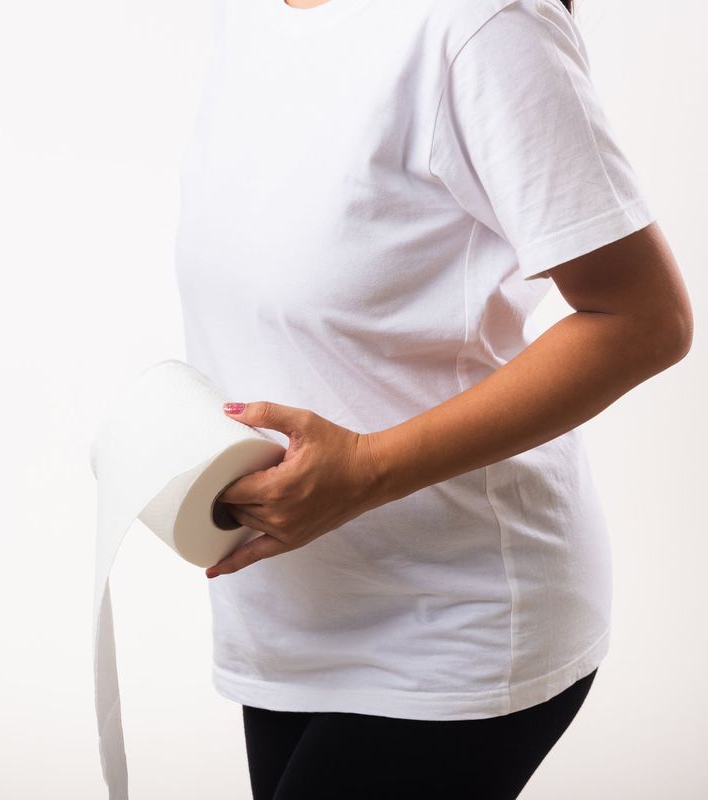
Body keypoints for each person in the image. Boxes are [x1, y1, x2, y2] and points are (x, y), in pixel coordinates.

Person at [173, 0, 694, 797]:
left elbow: (643, 318)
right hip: (288, 620)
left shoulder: (479, 24)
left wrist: (370, 467)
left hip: (452, 618)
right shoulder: (248, 14)